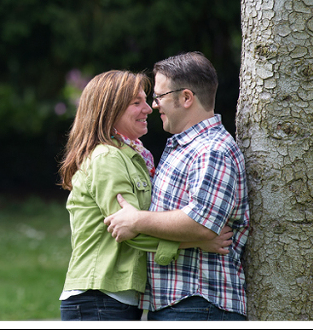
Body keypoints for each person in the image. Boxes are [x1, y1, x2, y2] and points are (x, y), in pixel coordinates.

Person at [58, 70, 233, 321]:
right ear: (110, 111)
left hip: (117, 297)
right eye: (136, 103)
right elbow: (127, 229)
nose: (149, 108)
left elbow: (139, 220)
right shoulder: (107, 158)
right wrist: (195, 241)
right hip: (98, 296)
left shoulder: (134, 157)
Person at [104, 52, 250, 321]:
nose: (154, 105)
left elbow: (202, 224)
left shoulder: (212, 150)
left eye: (159, 97)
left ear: (185, 98)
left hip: (199, 301)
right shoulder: (186, 147)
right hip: (181, 303)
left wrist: (137, 220)